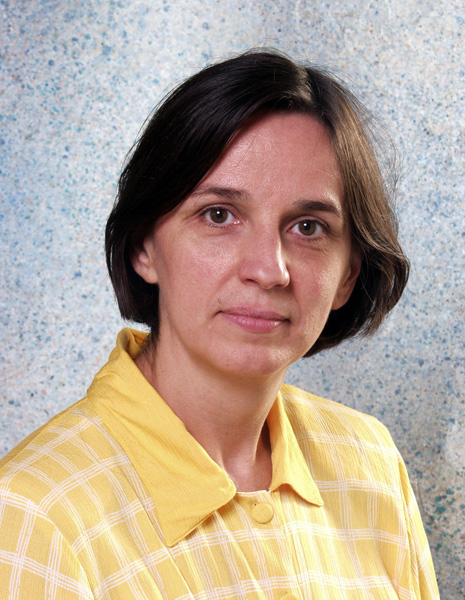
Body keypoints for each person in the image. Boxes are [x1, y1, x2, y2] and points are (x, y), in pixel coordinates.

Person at [0, 50, 439, 599]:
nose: (269, 270)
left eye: (308, 227)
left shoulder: (371, 462)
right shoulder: (35, 517)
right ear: (143, 248)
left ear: (348, 274)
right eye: (219, 215)